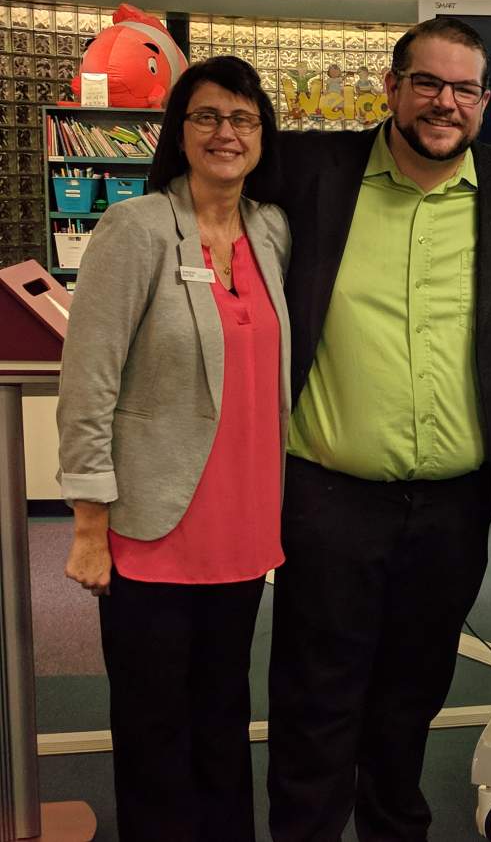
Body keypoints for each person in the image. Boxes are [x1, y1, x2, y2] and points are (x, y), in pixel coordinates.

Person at [265, 16, 491, 841]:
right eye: (427, 82)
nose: (444, 103)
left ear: (485, 102)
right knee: (317, 698)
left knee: (411, 697)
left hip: (454, 510)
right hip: (328, 498)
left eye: (463, 89)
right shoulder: (315, 172)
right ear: (392, 88)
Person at [56, 55, 290, 842]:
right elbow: (87, 383)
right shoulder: (137, 228)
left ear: (262, 135)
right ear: (179, 131)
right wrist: (90, 523)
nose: (226, 133)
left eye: (243, 119)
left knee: (224, 715)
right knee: (156, 730)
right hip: (151, 528)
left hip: (243, 529)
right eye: (207, 117)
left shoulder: (270, 230)